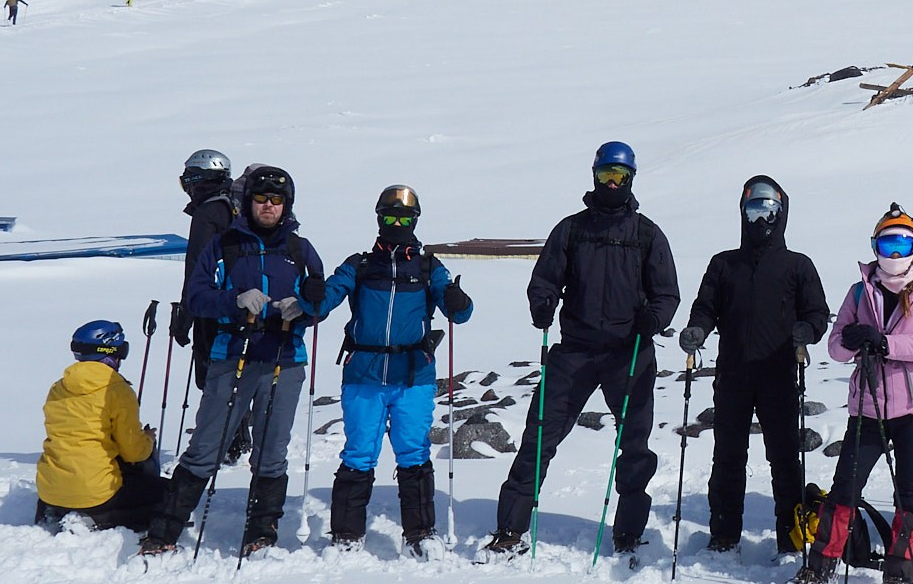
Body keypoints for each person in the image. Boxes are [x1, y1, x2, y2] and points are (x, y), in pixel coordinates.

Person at [484, 142, 680, 558]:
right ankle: (510, 528)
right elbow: (546, 279)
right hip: (574, 351)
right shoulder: (571, 229)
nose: (611, 183)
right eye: (605, 175)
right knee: (540, 435)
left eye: (619, 176)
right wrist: (542, 303)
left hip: (630, 353)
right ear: (593, 177)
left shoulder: (647, 234)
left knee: (634, 446)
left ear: (631, 180)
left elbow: (667, 294)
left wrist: (654, 320)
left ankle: (628, 531)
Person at [140, 165, 324, 557]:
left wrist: (304, 308)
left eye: (277, 200)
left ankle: (262, 534)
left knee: (271, 452)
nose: (269, 207)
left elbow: (320, 299)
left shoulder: (300, 249)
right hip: (232, 358)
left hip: (284, 359)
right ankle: (163, 533)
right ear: (249, 202)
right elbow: (196, 296)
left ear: (287, 204)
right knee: (205, 448)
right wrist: (233, 302)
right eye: (261, 199)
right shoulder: (224, 245)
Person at [307, 186, 473, 553]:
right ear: (378, 218)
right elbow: (325, 300)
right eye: (388, 217)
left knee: (413, 452)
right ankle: (347, 535)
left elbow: (459, 312)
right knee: (358, 453)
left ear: (414, 221)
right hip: (364, 372)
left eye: (403, 218)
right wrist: (313, 293)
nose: (395, 224)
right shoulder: (360, 265)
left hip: (413, 373)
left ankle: (420, 534)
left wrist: (458, 301)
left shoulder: (429, 267)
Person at [796, 206, 913, 584]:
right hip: (868, 406)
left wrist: (885, 343)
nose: (895, 254)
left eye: (903, 243)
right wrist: (851, 341)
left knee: (911, 491)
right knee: (846, 486)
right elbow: (835, 347)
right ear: (875, 246)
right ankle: (823, 562)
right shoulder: (860, 291)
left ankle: (901, 568)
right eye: (887, 243)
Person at [678, 176, 829, 556]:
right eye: (753, 209)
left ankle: (790, 536)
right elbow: (706, 306)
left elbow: (817, 313)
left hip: (779, 374)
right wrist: (697, 329)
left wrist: (806, 330)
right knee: (727, 456)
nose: (761, 219)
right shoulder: (724, 264)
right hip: (732, 375)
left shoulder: (798, 266)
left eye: (769, 210)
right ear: (743, 214)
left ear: (781, 213)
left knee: (784, 457)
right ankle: (724, 533)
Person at [34, 320, 162, 531]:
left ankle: (59, 510)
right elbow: (134, 452)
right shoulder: (117, 390)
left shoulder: (58, 387)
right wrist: (148, 439)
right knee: (168, 493)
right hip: (97, 493)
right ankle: (92, 518)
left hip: (50, 490)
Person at [168, 150, 248, 456]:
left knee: (212, 373)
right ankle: (237, 436)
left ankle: (227, 440)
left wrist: (188, 310)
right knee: (234, 371)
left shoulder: (208, 212)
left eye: (189, 180)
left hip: (213, 306)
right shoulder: (237, 207)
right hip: (242, 303)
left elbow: (198, 265)